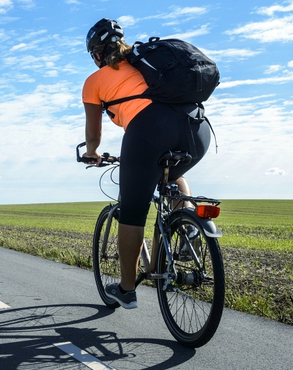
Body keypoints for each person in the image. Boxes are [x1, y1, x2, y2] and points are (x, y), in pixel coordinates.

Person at [80, 18, 212, 309]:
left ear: (98, 54)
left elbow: (94, 133)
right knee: (170, 173)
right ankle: (188, 222)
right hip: (197, 129)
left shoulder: (95, 81)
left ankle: (127, 289)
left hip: (150, 130)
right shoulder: (146, 65)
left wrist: (92, 152)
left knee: (132, 212)